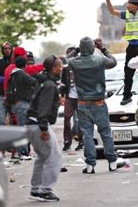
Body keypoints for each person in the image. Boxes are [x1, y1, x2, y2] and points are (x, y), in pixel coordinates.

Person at [68, 36, 126, 174]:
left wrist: (77, 50)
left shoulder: (74, 62)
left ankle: (90, 165)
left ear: (81, 48)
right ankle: (112, 162)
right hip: (99, 102)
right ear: (93, 48)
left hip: (82, 102)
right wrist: (103, 48)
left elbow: (64, 60)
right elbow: (113, 62)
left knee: (87, 134)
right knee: (105, 133)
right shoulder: (99, 60)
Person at [26, 55, 63, 202]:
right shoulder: (49, 85)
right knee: (54, 157)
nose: (62, 68)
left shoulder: (43, 81)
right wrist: (43, 129)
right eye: (60, 66)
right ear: (54, 69)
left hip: (32, 123)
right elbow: (43, 106)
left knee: (42, 157)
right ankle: (45, 190)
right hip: (38, 124)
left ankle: (36, 189)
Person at [8, 56, 38, 160]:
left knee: (22, 128)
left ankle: (23, 151)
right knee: (23, 129)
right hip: (23, 104)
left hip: (16, 104)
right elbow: (34, 81)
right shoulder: (22, 74)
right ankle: (23, 152)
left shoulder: (13, 74)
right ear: (25, 65)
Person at [60, 48, 83, 152]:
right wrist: (62, 95)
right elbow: (63, 82)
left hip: (81, 97)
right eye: (68, 55)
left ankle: (81, 141)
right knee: (66, 118)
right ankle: (67, 142)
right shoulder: (66, 67)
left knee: (82, 120)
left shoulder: (80, 65)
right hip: (70, 96)